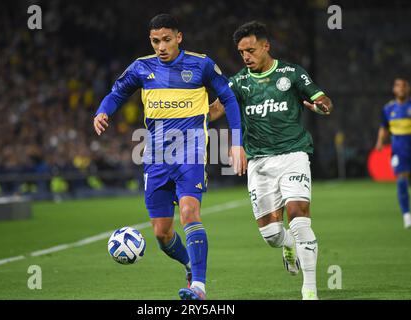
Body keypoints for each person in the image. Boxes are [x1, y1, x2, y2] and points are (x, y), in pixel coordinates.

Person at [93, 13, 246, 300]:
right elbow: (116, 92)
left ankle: (198, 286)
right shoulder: (142, 68)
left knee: (189, 212)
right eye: (155, 41)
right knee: (162, 235)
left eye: (166, 40)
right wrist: (103, 111)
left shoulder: (201, 64)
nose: (160, 47)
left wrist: (236, 142)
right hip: (155, 157)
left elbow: (228, 97)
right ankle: (190, 264)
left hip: (191, 150)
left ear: (179, 37)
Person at [209, 21, 333, 300]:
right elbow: (214, 110)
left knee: (299, 219)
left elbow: (323, 98)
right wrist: (186, 115)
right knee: (272, 235)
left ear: (266, 46)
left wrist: (322, 106)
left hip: (293, 155)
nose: (246, 57)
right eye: (241, 52)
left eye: (250, 50)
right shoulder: (239, 82)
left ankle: (310, 290)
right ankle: (288, 245)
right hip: (259, 163)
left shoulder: (291, 74)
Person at [375, 77, 411, 229]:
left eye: (404, 85)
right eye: (398, 85)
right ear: (394, 89)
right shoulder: (388, 108)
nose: (401, 88)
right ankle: (406, 215)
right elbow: (384, 127)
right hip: (398, 151)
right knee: (401, 180)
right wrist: (380, 142)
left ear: (408, 89)